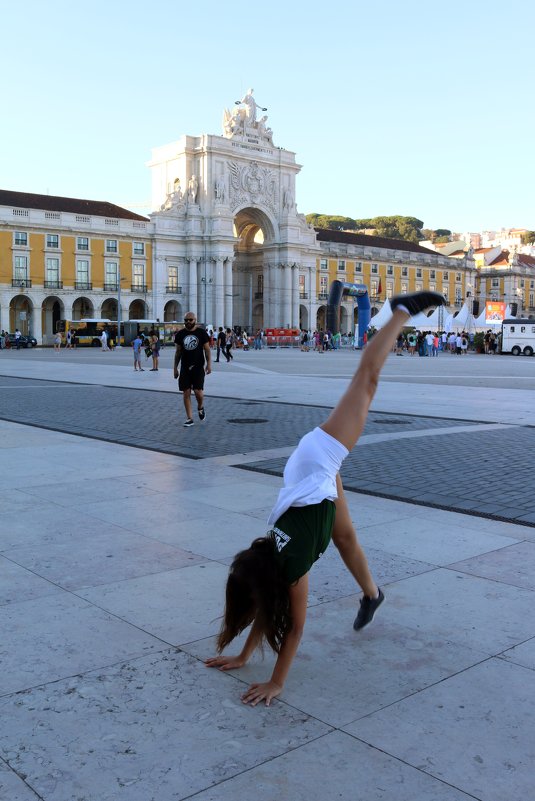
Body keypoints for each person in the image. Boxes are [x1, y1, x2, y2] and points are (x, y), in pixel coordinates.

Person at [206, 291, 446, 706]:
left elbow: (293, 629)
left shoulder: (292, 569)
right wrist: (244, 656)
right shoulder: (270, 558)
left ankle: (402, 310)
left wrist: (276, 682)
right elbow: (273, 613)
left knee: (366, 380)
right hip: (307, 481)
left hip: (318, 461)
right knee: (346, 539)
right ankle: (372, 595)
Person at [173, 312, 211, 427]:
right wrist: (175, 368)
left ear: (195, 319)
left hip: (198, 367)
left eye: (190, 320)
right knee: (186, 392)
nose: (188, 322)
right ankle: (189, 418)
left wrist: (209, 364)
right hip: (185, 367)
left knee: (198, 391)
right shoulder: (180, 334)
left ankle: (200, 407)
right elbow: (178, 352)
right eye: (186, 320)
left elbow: (207, 350)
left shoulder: (201, 333)